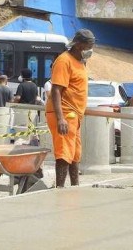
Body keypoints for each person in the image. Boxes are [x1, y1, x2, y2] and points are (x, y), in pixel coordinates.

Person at [46, 29, 95, 188]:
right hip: (65, 113)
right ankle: (59, 188)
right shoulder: (64, 61)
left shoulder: (80, 62)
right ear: (79, 45)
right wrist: (60, 118)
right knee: (64, 153)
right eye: (89, 46)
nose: (91, 50)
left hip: (75, 115)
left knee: (74, 154)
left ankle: (75, 187)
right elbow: (56, 90)